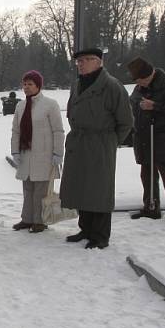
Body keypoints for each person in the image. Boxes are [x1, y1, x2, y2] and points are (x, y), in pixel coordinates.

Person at [60, 48, 133, 250]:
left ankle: (100, 235)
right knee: (82, 186)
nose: (81, 64)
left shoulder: (111, 86)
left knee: (99, 190)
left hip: (101, 143)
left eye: (86, 60)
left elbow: (126, 121)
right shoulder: (77, 84)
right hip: (80, 142)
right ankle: (86, 228)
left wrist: (109, 142)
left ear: (99, 62)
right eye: (79, 61)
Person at [126, 57, 165, 228]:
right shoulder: (139, 88)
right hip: (144, 140)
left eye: (141, 80)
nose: (139, 84)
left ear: (150, 74)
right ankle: (150, 208)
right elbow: (133, 110)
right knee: (147, 175)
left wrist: (156, 106)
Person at [10, 71, 65, 233]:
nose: (26, 87)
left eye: (30, 84)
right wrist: (15, 151)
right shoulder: (20, 106)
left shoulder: (50, 104)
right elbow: (15, 131)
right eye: (24, 84)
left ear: (38, 86)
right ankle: (27, 219)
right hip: (26, 155)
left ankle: (40, 221)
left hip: (44, 156)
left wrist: (57, 153)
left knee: (41, 191)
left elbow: (58, 131)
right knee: (28, 189)